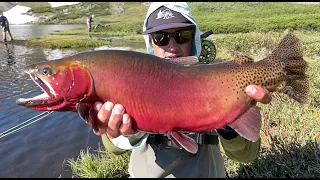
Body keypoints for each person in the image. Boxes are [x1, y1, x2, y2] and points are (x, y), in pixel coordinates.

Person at [92, 2, 272, 178]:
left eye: (182, 35)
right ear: (150, 43)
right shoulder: (131, 81)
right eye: (160, 37)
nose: (171, 47)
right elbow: (113, 148)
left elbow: (246, 155)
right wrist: (131, 129)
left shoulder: (217, 81)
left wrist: (228, 119)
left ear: (194, 39)